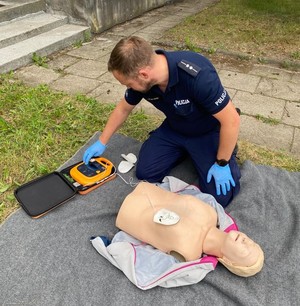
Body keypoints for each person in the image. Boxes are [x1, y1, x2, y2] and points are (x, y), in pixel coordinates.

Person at [83, 36, 241, 207]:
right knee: (146, 173)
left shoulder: (198, 76)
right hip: (175, 127)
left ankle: (224, 149)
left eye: (128, 84)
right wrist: (102, 141)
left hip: (206, 130)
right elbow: (123, 108)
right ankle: (184, 150)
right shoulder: (144, 79)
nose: (128, 88)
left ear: (143, 74)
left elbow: (231, 120)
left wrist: (222, 162)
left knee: (221, 197)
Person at [116, 181, 264, 277]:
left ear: (229, 262)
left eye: (246, 251)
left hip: (125, 212)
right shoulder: (211, 213)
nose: (246, 241)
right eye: (251, 241)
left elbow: (148, 263)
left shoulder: (189, 253)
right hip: (142, 186)